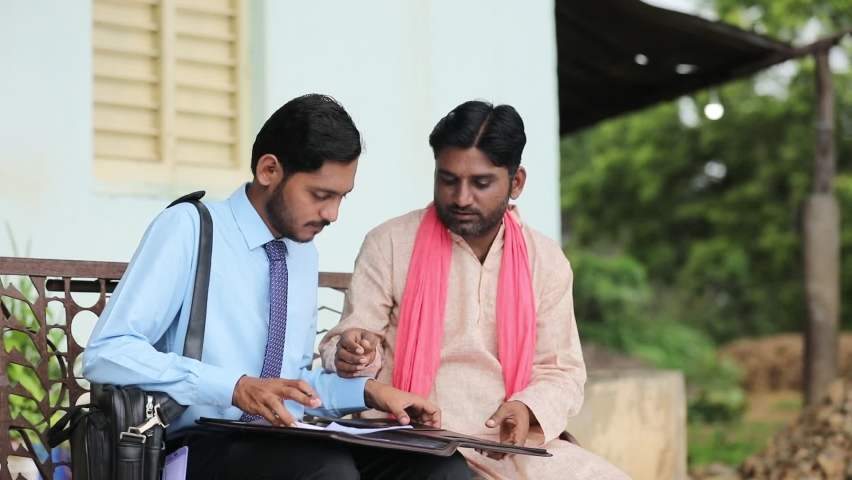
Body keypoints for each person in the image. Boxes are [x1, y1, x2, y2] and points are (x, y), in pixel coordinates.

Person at [83, 94, 471, 480]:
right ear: (269, 170)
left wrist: (369, 392)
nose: (332, 214)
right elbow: (107, 352)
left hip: (281, 444)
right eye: (321, 195)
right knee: (326, 469)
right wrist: (234, 387)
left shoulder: (302, 254)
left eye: (341, 198)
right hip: (191, 447)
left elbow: (292, 387)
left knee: (440, 467)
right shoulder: (190, 228)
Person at [318, 100, 630, 479]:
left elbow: (561, 370)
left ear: (516, 182)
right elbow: (347, 346)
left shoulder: (544, 260)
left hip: (510, 445)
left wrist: (527, 409)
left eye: (481, 183)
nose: (462, 198)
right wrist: (354, 353)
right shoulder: (390, 243)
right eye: (448, 180)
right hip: (413, 442)